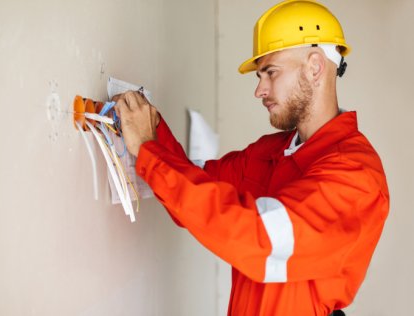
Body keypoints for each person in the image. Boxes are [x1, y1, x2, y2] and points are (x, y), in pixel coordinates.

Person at [114, 0, 389, 315]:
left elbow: (260, 240)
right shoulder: (271, 152)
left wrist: (150, 151)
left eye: (270, 72)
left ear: (314, 67)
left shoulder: (356, 174)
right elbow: (191, 190)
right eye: (260, 76)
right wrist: (152, 130)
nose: (260, 90)